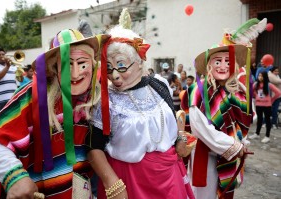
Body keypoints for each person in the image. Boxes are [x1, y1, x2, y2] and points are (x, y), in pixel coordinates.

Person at [0, 29, 110, 198]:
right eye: (66, 64)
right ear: (53, 67)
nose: (75, 73)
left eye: (82, 64)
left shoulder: (97, 96)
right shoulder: (33, 95)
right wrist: (14, 177)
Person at [86, 8, 194, 199]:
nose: (115, 75)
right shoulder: (106, 99)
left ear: (139, 60)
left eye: (121, 65)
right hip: (129, 181)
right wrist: (112, 182)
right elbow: (94, 148)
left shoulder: (160, 85)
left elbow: (171, 123)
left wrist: (180, 140)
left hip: (169, 177)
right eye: (109, 68)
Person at [181, 38, 253, 198]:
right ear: (209, 65)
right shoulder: (198, 90)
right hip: (206, 157)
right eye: (217, 61)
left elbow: (244, 122)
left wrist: (241, 141)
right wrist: (235, 147)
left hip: (230, 157)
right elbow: (201, 130)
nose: (223, 65)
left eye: (228, 61)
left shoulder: (238, 92)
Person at [249, 71, 281, 143]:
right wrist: (256, 95)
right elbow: (252, 91)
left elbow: (278, 93)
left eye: (262, 76)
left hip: (267, 105)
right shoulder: (256, 84)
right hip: (258, 105)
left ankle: (267, 136)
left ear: (265, 77)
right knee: (259, 119)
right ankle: (257, 133)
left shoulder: (269, 85)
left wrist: (271, 100)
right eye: (259, 75)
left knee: (267, 120)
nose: (260, 77)